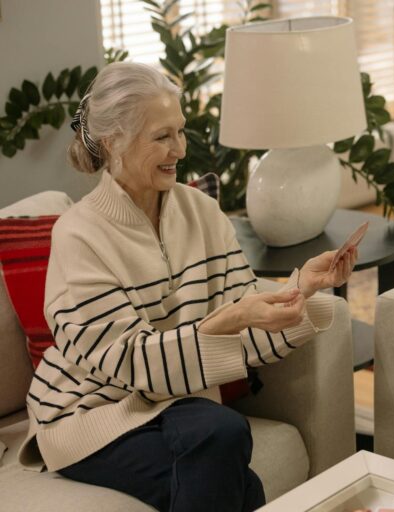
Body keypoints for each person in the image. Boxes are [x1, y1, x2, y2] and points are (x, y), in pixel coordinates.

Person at [18, 61, 357, 512]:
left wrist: (303, 288)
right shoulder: (78, 235)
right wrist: (228, 321)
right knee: (224, 439)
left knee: (227, 457)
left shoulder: (202, 213)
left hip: (179, 409)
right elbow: (130, 363)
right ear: (112, 141)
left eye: (181, 131)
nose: (179, 149)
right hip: (90, 413)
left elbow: (246, 330)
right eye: (162, 136)